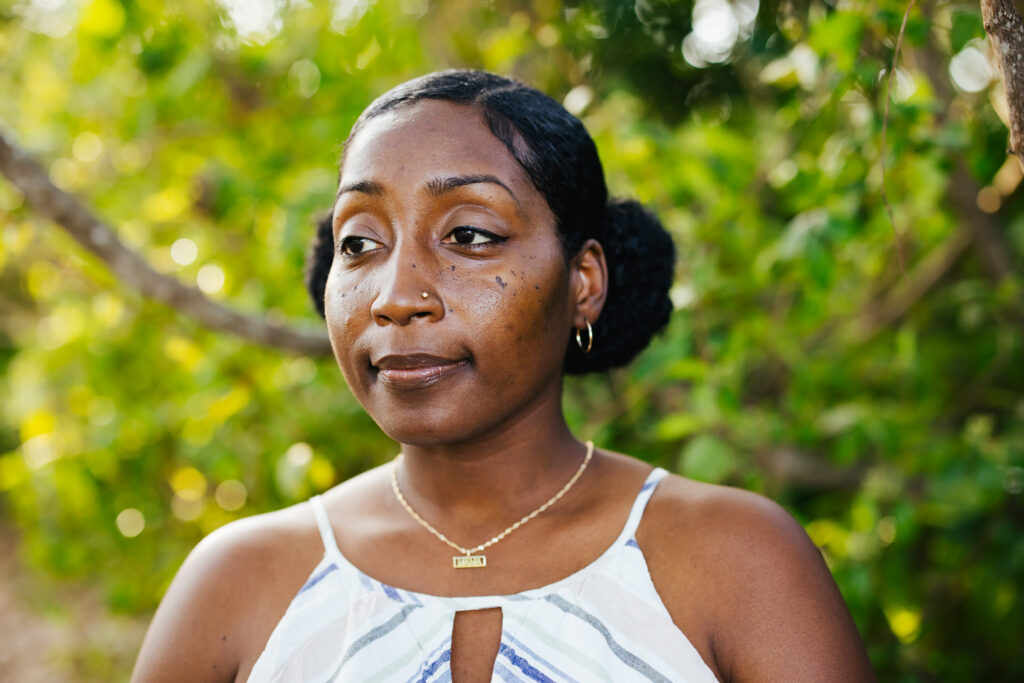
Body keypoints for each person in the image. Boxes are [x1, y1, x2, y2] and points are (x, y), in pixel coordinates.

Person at [132, 70, 875, 682]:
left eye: (470, 234)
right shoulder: (238, 584)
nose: (396, 295)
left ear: (583, 280)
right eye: (360, 242)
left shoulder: (737, 563)